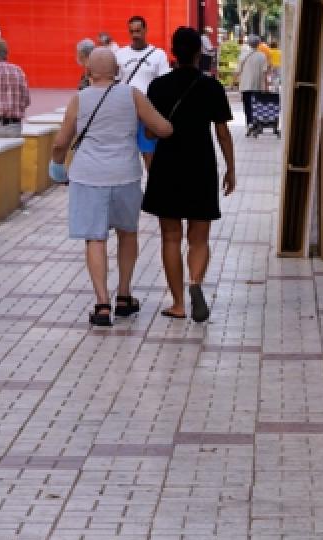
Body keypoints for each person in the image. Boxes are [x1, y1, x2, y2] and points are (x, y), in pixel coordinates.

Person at [51, 48, 173, 327]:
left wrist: (57, 166)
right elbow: (164, 128)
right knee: (127, 233)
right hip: (125, 175)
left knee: (95, 238)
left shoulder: (78, 100)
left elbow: (61, 142)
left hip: (88, 176)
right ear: (117, 71)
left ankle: (102, 303)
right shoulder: (132, 95)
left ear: (87, 71)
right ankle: (125, 296)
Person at [143, 26, 235, 323]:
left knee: (170, 237)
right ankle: (195, 283)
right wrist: (231, 168)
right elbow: (222, 134)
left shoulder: (158, 87)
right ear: (199, 53)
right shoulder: (212, 87)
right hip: (201, 165)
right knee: (199, 237)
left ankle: (179, 303)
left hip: (167, 165)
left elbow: (149, 130)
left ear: (173, 52)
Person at [116, 16, 170, 168]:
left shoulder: (158, 55)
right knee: (124, 161)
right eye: (132, 31)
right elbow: (114, 82)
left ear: (146, 30)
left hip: (148, 115)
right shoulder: (120, 54)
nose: (135, 35)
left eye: (138, 31)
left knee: (150, 160)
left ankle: (154, 190)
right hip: (126, 114)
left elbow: (164, 85)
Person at [237, 35, 269, 134]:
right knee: (257, 105)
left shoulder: (243, 55)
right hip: (258, 85)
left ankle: (249, 123)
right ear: (258, 44)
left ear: (249, 44)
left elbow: (238, 71)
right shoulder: (262, 56)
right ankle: (256, 124)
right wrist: (265, 86)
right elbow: (264, 72)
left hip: (245, 85)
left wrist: (234, 82)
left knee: (247, 105)